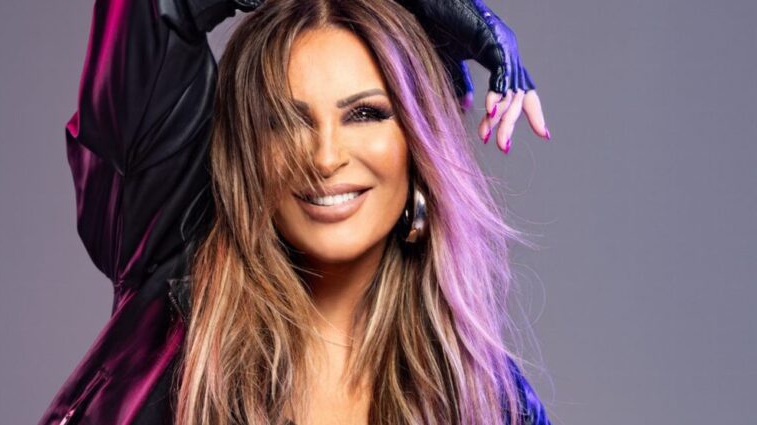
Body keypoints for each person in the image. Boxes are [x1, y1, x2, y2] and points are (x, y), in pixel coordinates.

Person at [38, 0, 551, 423]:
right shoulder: (173, 263)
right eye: (285, 121)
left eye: (364, 114)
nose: (324, 158)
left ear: (419, 148)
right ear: (250, 152)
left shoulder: (490, 403)